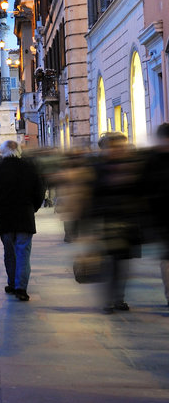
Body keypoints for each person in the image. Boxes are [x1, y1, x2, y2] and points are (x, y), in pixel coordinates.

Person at [87, 132, 145, 314]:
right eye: (116, 146)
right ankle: (109, 300)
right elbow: (92, 197)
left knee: (123, 263)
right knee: (110, 262)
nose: (120, 150)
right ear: (106, 149)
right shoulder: (98, 168)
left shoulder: (131, 166)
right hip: (107, 221)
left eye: (122, 146)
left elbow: (140, 192)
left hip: (127, 221)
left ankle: (118, 297)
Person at [0, 140, 46, 301]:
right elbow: (40, 191)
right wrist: (33, 208)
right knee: (23, 253)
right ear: (19, 151)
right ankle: (21, 288)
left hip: (5, 217)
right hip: (25, 216)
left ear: (1, 152)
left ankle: (11, 283)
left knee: (9, 253)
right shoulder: (30, 168)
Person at [141, 123, 169, 307]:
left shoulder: (150, 160)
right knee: (167, 261)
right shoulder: (151, 161)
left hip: (160, 218)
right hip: (163, 219)